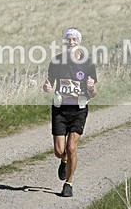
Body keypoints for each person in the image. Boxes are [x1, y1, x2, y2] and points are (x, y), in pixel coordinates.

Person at [42, 27, 98, 198]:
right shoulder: (57, 61)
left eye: (74, 40)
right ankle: (63, 160)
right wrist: (47, 86)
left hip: (78, 110)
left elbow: (94, 92)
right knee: (59, 151)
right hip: (60, 109)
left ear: (79, 43)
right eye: (68, 40)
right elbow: (49, 83)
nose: (71, 43)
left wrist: (90, 88)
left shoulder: (88, 64)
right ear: (65, 42)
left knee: (71, 147)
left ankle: (69, 183)